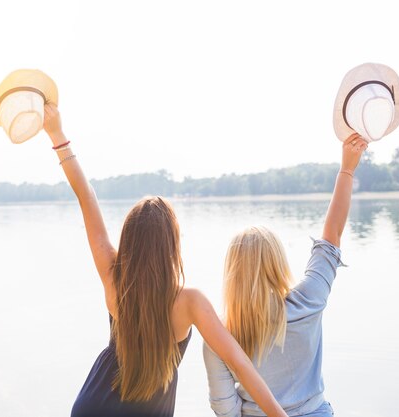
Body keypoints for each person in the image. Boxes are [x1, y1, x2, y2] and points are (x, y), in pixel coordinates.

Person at [41, 103, 288, 417]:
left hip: (91, 406)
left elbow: (86, 196)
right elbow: (239, 363)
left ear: (129, 240)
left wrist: (57, 133)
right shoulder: (190, 302)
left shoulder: (113, 277)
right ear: (172, 244)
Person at [203, 134, 368, 417]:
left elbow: (224, 408)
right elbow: (332, 236)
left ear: (232, 274)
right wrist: (347, 169)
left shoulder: (220, 335)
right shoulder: (309, 300)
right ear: (277, 263)